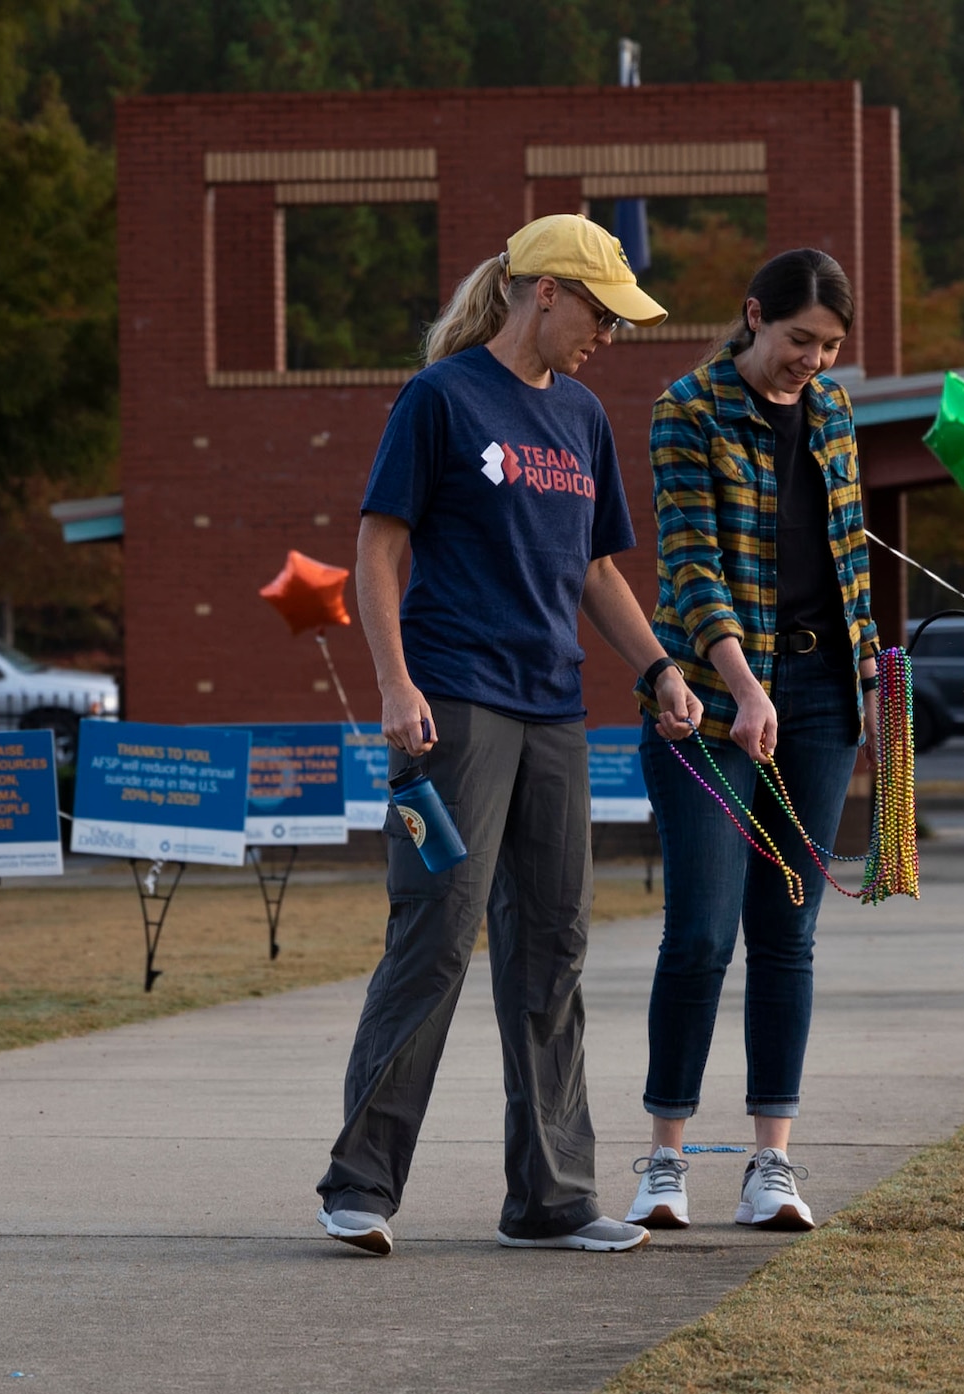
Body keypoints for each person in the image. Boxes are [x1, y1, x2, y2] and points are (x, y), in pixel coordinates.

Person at [316, 214, 701, 1257]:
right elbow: (379, 547)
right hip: (453, 706)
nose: (608, 337)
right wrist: (393, 684)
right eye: (600, 313)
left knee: (554, 947)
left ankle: (551, 1196)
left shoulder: (580, 417)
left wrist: (658, 666)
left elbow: (594, 570)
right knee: (435, 931)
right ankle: (360, 1181)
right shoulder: (441, 400)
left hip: (554, 711)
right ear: (543, 293)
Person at [631, 249, 877, 1234]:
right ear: (751, 318)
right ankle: (664, 1156)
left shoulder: (834, 413)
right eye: (795, 341)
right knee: (699, 931)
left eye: (825, 347)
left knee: (789, 931)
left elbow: (850, 555)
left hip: (820, 697)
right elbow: (690, 564)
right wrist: (740, 687)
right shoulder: (684, 409)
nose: (807, 363)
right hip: (705, 699)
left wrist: (868, 685)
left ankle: (770, 1163)